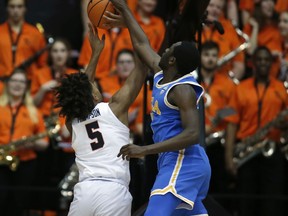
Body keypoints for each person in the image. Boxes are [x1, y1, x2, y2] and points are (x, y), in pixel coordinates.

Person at [108, 1, 211, 215]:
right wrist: (126, 11)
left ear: (172, 60)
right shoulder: (162, 74)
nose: (163, 50)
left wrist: (144, 150)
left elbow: (193, 134)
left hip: (183, 162)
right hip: (175, 162)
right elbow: (142, 44)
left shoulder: (182, 89)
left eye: (169, 49)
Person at [54, 23, 147, 216]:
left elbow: (81, 88)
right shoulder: (114, 109)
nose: (95, 84)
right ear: (95, 96)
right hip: (113, 191)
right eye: (94, 86)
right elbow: (140, 68)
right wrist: (131, 25)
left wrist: (96, 54)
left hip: (84, 192)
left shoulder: (72, 123)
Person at [225, 46, 288, 216]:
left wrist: (283, 125)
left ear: (271, 64)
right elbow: (231, 124)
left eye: (266, 60)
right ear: (252, 63)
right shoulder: (240, 89)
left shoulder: (280, 89)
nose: (262, 63)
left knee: (272, 204)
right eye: (259, 59)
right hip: (246, 152)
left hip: (272, 151)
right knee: (246, 203)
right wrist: (229, 157)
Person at [0, 68, 49, 216]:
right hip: (1, 162)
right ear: (8, 84)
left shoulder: (34, 111)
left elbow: (45, 143)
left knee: (18, 203)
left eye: (21, 82)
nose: (17, 85)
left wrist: (33, 144)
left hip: (25, 163)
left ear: (26, 86)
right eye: (14, 80)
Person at [200, 41, 236, 195]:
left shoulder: (227, 84)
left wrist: (229, 154)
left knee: (218, 189)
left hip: (217, 144)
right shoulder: (191, 81)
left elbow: (232, 117)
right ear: (199, 57)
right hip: (195, 141)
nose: (210, 59)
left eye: (214, 55)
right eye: (206, 55)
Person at [0, 0, 47, 78]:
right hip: (2, 85)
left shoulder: (35, 34)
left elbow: (42, 64)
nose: (16, 10)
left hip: (29, 85)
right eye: (12, 6)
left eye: (19, 6)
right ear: (7, 8)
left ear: (25, 9)